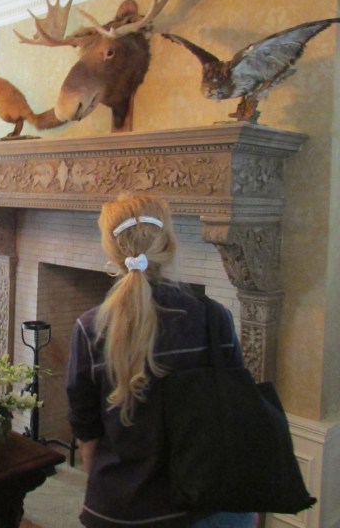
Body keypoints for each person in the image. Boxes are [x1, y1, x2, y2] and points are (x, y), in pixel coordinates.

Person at [66, 193, 256, 528]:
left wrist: (106, 493)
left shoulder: (90, 329)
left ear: (111, 251)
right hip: (211, 508)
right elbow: (239, 411)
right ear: (168, 243)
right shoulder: (214, 318)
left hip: (123, 513)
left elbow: (87, 435)